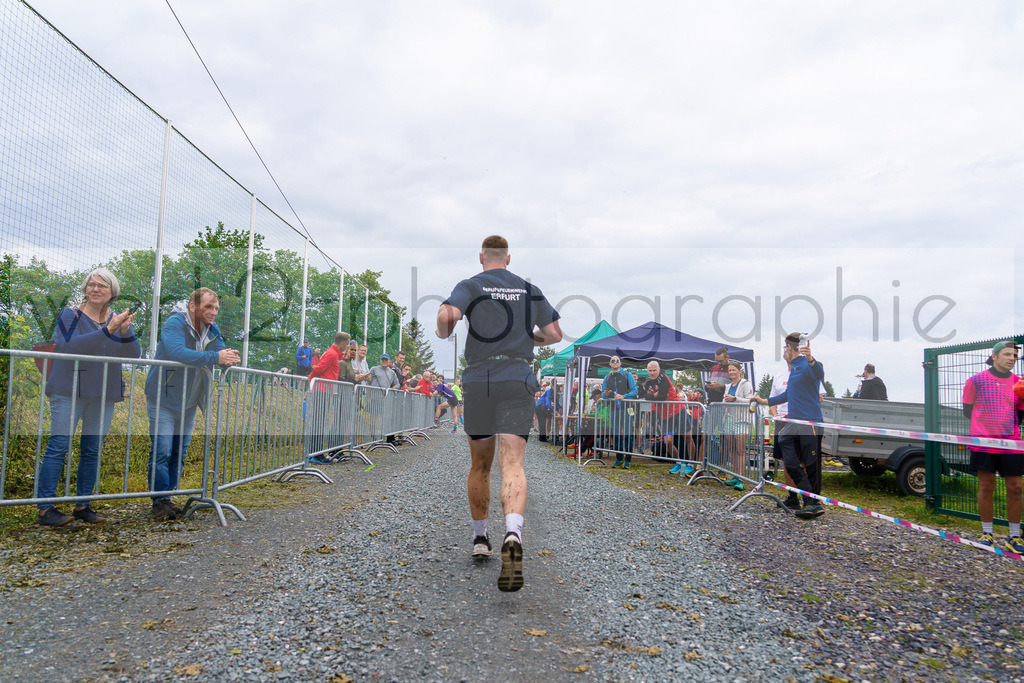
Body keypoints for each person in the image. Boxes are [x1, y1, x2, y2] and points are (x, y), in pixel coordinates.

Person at [436, 235, 562, 592]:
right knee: (513, 464)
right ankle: (513, 534)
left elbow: (447, 316)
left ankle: (480, 538)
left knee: (480, 465)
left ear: (481, 257)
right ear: (508, 258)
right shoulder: (527, 288)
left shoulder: (471, 285)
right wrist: (526, 339)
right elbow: (554, 333)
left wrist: (443, 327)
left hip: (479, 378)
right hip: (517, 376)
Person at [36, 269, 142, 526]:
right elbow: (69, 346)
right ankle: (45, 508)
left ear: (112, 293)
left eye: (102, 286)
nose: (95, 289)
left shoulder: (116, 319)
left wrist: (124, 331)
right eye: (91, 285)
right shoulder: (69, 314)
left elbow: (134, 355)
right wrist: (109, 330)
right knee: (59, 445)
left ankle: (83, 505)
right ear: (85, 289)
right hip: (68, 389)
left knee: (92, 449)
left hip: (102, 392)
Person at [146, 288, 240, 520]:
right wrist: (216, 358)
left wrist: (230, 360)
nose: (213, 312)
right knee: (162, 450)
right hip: (163, 395)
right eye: (208, 307)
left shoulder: (212, 328)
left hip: (189, 399)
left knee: (180, 450)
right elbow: (178, 352)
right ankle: (160, 501)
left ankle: (169, 497)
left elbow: (221, 352)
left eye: (216, 308)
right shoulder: (174, 323)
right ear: (192, 307)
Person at [751, 332, 826, 519]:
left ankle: (813, 503)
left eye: (785, 347)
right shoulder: (794, 369)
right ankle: (806, 495)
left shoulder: (807, 365)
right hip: (794, 421)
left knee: (811, 464)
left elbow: (819, 374)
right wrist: (763, 401)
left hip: (811, 423)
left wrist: (810, 358)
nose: (783, 350)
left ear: (790, 348)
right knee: (789, 458)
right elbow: (786, 395)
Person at [963, 341, 1024, 551]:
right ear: (994, 356)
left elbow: (1021, 414)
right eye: (1007, 354)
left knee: (1016, 487)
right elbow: (967, 410)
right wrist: (987, 428)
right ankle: (987, 533)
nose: (1011, 359)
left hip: (1011, 442)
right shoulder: (975, 381)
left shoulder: (1020, 382)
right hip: (983, 443)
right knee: (986, 486)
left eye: (1015, 356)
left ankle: (1015, 537)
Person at [306, 331, 352, 462]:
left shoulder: (332, 354)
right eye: (347, 343)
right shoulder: (331, 354)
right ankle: (315, 454)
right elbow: (317, 370)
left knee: (320, 421)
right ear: (342, 343)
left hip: (325, 391)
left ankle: (315, 453)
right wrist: (310, 385)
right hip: (321, 391)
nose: (347, 347)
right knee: (319, 422)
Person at [642, 361, 691, 473]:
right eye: (650, 371)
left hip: (678, 411)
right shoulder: (648, 381)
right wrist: (653, 396)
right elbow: (645, 396)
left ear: (659, 370)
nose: (652, 372)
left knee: (687, 437)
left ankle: (691, 464)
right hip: (664, 415)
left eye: (654, 370)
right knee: (667, 441)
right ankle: (679, 462)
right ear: (647, 371)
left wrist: (652, 396)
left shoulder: (663, 378)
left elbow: (662, 397)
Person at [719, 361, 754, 491]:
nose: (732, 372)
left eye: (734, 370)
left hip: (741, 421)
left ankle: (741, 479)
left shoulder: (746, 384)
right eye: (730, 370)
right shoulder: (728, 386)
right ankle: (735, 475)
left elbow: (750, 400)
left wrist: (735, 399)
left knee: (740, 450)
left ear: (740, 370)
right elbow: (724, 400)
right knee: (732, 449)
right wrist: (726, 400)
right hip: (729, 420)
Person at [602, 355, 638, 468]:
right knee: (616, 434)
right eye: (613, 361)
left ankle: (628, 459)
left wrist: (624, 396)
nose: (615, 362)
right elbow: (603, 394)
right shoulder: (607, 377)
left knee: (627, 434)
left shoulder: (627, 374)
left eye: (617, 361)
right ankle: (619, 458)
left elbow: (635, 390)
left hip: (626, 408)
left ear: (620, 363)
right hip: (614, 408)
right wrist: (606, 394)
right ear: (610, 364)